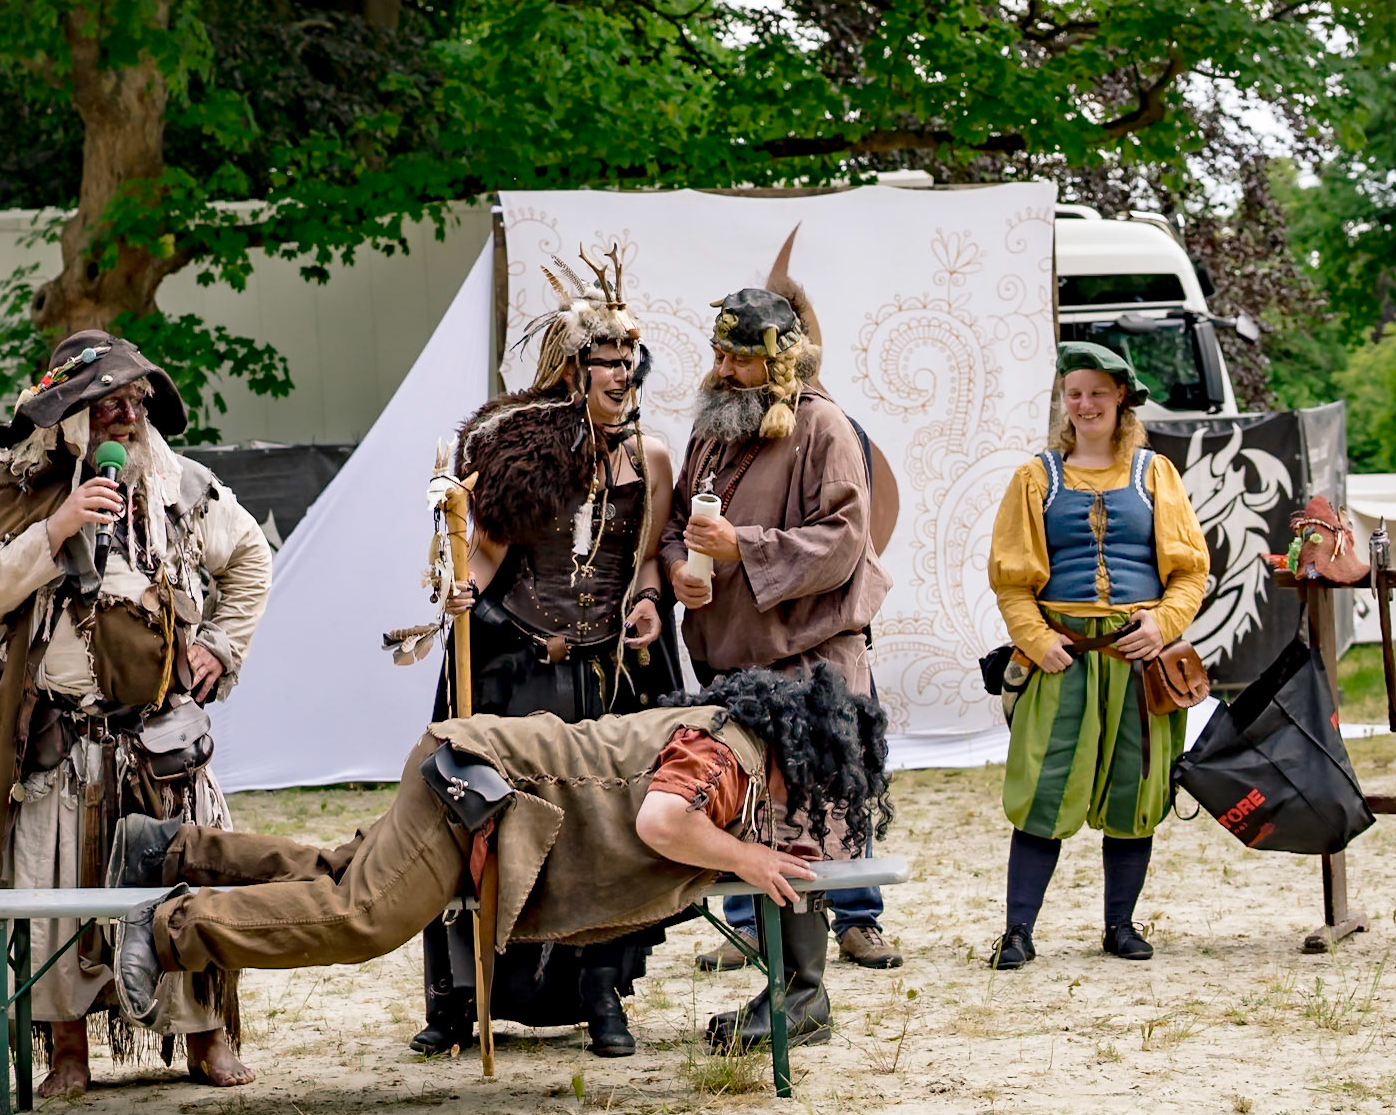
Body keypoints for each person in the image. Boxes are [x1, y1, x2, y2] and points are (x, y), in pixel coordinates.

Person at [105, 667, 893, 1053]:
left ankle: (169, 847)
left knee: (344, 876)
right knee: (366, 918)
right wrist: (748, 860)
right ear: (813, 754)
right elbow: (662, 821)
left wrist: (752, 851)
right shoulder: (729, 755)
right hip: (477, 791)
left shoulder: (731, 744)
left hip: (482, 775)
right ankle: (169, 925)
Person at [0, 331, 272, 1094]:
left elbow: (250, 556)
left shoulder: (180, 486)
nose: (125, 416)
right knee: (52, 900)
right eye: (107, 403)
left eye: (135, 401)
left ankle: (205, 1038)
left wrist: (220, 644)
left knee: (188, 888)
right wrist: (60, 525)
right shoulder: (19, 488)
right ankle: (70, 1053)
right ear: (71, 416)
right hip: (64, 743)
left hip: (161, 740)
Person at [409, 247, 681, 1059]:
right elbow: (482, 548)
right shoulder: (519, 449)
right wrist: (460, 591)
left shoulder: (652, 457)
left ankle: (602, 994)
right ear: (573, 370)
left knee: (606, 832)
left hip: (606, 678)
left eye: (632, 364)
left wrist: (648, 602)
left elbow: (648, 554)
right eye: (609, 365)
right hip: (513, 668)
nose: (623, 379)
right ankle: (457, 1001)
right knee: (479, 820)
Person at [657, 281, 897, 1040]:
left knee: (797, 832)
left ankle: (802, 999)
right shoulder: (712, 430)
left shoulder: (824, 429)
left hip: (808, 673)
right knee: (754, 833)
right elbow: (673, 527)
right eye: (719, 354)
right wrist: (676, 569)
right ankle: (783, 991)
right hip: (735, 671)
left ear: (780, 359)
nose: (725, 370)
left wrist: (745, 550)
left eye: (741, 358)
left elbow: (844, 542)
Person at [985, 341, 1209, 969]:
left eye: (1097, 393)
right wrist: (1036, 640)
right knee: (1043, 789)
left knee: (1133, 793)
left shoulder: (1155, 474)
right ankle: (1019, 931)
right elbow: (1012, 580)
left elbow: (1190, 573)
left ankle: (1120, 926)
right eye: (1074, 393)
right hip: (1065, 659)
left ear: (1120, 400)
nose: (1084, 404)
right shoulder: (1036, 477)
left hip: (1140, 667)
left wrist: (1162, 623)